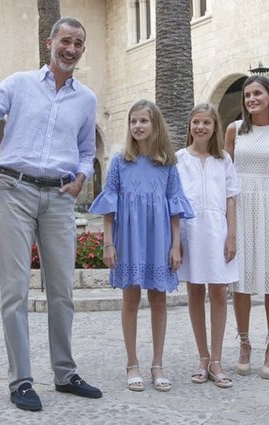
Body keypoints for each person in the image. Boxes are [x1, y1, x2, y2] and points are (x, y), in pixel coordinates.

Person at [0, 17, 102, 411]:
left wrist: (83, 174)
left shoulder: (86, 99)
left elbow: (86, 149)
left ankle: (65, 373)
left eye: (79, 43)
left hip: (59, 197)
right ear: (49, 42)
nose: (71, 48)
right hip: (15, 191)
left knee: (62, 292)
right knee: (14, 291)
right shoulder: (19, 84)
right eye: (66, 40)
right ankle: (21, 381)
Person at [88, 99, 194, 393]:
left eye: (143, 121)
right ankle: (132, 362)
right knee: (130, 300)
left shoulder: (168, 164)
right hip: (129, 239)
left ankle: (157, 363)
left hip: (159, 239)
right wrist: (108, 243)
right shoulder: (120, 162)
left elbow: (175, 209)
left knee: (159, 299)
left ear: (155, 124)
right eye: (133, 121)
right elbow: (109, 206)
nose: (137, 126)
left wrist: (176, 246)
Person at [225, 75, 269, 380]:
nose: (251, 99)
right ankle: (244, 344)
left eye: (257, 93)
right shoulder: (234, 130)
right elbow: (225, 175)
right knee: (241, 278)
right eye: (247, 95)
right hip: (240, 205)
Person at [176, 103, 239, 389]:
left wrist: (232, 236)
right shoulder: (179, 159)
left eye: (206, 123)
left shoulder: (223, 159)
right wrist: (175, 242)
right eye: (196, 122)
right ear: (190, 126)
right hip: (190, 231)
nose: (200, 127)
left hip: (217, 230)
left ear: (215, 127)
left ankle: (217, 359)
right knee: (194, 290)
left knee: (218, 291)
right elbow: (174, 203)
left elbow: (230, 198)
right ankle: (202, 358)